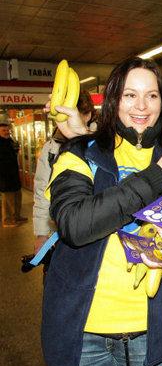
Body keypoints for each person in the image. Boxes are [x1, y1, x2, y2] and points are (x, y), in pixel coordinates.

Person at [42, 57, 162, 366]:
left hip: (154, 334)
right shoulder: (82, 153)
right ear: (114, 100)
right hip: (84, 334)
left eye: (151, 95)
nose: (141, 105)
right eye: (130, 95)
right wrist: (156, 179)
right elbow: (74, 224)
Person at [33, 91, 96, 255]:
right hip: (61, 230)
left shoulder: (105, 144)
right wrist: (41, 233)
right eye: (63, 116)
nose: (67, 122)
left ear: (88, 115)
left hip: (98, 227)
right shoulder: (51, 148)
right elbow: (41, 191)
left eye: (73, 115)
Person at [0, 119, 27, 227]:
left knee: (17, 197)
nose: (6, 132)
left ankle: (16, 217)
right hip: (4, 177)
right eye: (3, 130)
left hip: (14, 175)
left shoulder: (10, 141)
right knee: (8, 200)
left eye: (8, 130)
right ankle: (7, 221)